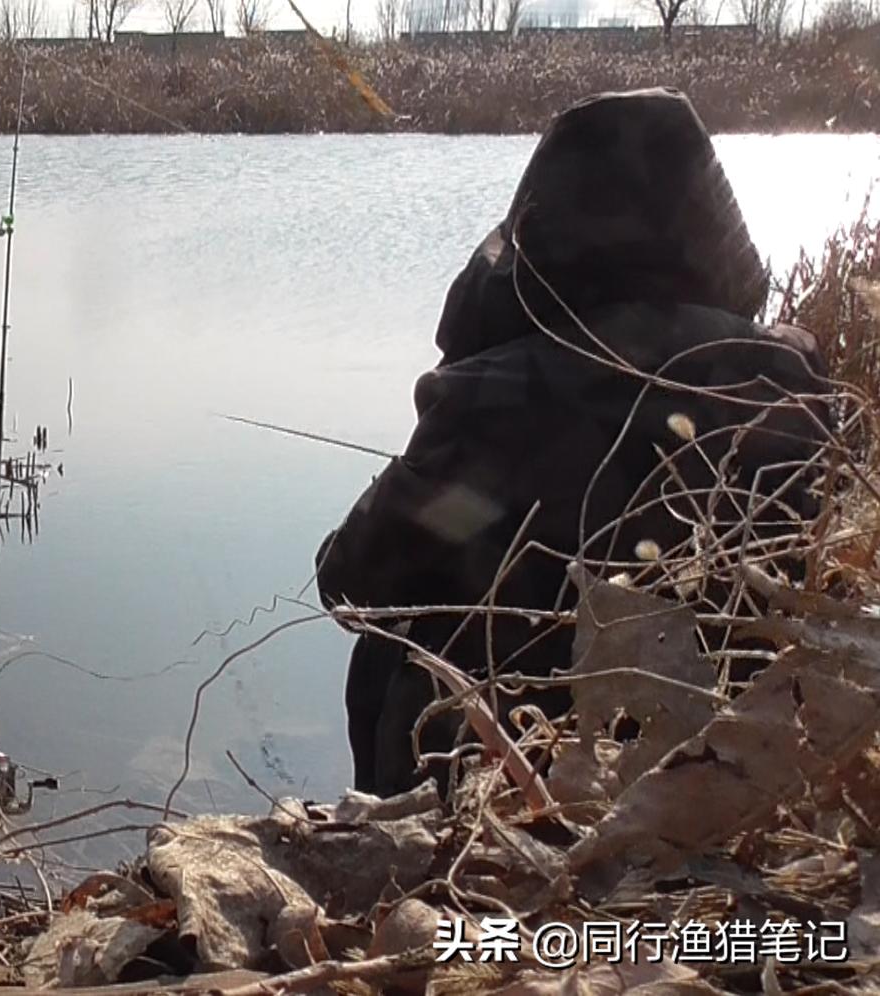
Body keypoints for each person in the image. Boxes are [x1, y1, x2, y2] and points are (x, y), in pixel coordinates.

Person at [315, 88, 832, 798]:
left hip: (516, 768)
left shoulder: (492, 399)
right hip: (729, 765)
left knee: (390, 645)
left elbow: (350, 583)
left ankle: (415, 834)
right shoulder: (787, 383)